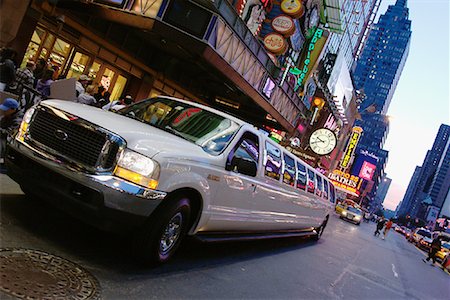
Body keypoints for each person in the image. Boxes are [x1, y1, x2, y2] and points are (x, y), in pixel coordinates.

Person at [0, 98, 23, 173]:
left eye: (6, 109)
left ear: (12, 110)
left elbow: (9, 133)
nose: (3, 111)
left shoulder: (18, 121)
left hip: (10, 143)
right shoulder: (6, 117)